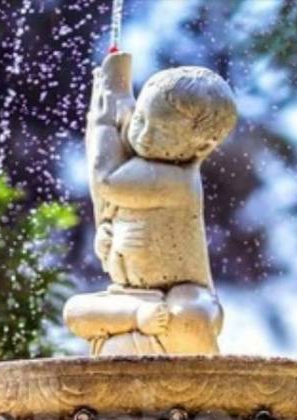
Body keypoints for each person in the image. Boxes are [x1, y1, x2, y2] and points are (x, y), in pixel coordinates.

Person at [64, 52, 237, 356]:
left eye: (161, 132)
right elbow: (123, 109)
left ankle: (198, 371)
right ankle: (136, 321)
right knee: (75, 310)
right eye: (142, 120)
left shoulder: (177, 181)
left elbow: (105, 181)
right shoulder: (144, 158)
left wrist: (103, 123)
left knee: (190, 317)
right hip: (130, 298)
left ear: (201, 146)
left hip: (184, 295)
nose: (142, 135)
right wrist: (116, 78)